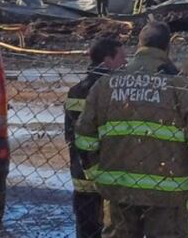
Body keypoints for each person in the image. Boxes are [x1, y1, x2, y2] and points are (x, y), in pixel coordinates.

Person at [75, 23, 188, 238]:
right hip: (168, 192)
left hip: (118, 188)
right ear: (167, 48)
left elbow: (84, 134)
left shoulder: (107, 84)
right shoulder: (179, 85)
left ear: (139, 45)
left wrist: (96, 173)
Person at [65, 39, 127, 238]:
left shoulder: (75, 91)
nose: (125, 63)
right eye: (121, 58)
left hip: (82, 172)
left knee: (86, 228)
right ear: (107, 60)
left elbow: (70, 135)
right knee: (115, 227)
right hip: (113, 173)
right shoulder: (116, 92)